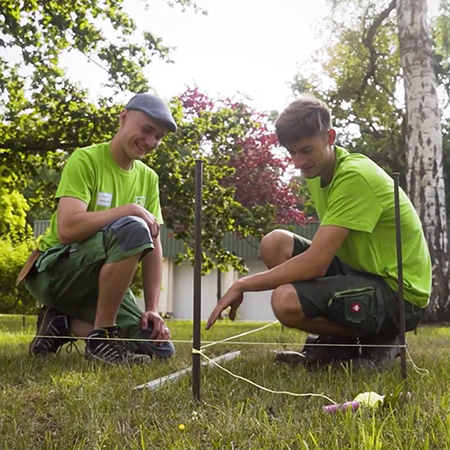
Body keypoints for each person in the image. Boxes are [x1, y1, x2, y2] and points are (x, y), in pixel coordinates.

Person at [206, 96, 431, 367]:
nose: (299, 161)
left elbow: (315, 264)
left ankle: (382, 338)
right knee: (274, 243)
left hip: (399, 293)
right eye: (292, 152)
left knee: (285, 300)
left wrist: (243, 283)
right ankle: (339, 344)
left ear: (330, 137)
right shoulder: (319, 173)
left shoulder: (354, 177)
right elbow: (318, 254)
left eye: (306, 150)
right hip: (361, 272)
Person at [20, 93, 177, 365]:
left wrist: (153, 309)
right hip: (57, 273)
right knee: (133, 226)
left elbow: (154, 245)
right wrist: (128, 209)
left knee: (160, 348)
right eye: (146, 129)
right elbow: (68, 228)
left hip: (101, 285)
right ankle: (102, 339)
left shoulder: (149, 178)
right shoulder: (85, 160)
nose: (151, 142)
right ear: (123, 118)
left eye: (159, 137)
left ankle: (62, 324)